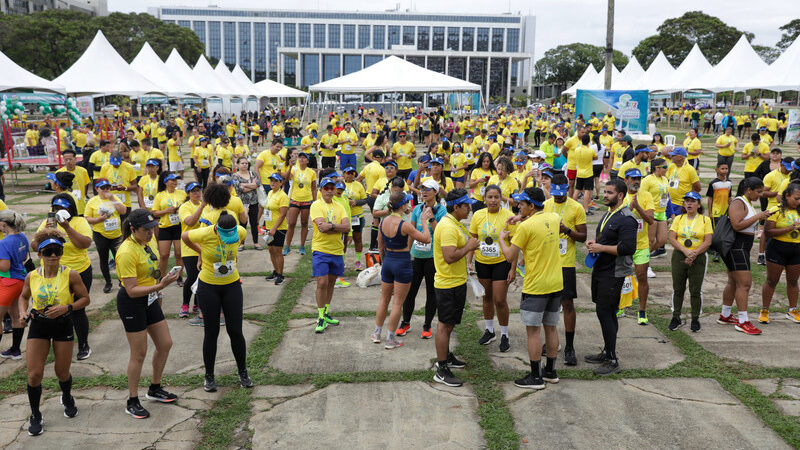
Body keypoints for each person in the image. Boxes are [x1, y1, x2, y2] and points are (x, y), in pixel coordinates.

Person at [19, 229, 90, 436]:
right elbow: (23, 297)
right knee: (34, 374)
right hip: (39, 325)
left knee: (62, 372)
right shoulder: (32, 276)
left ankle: (67, 396)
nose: (53, 256)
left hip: (63, 324)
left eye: (57, 251)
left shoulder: (71, 274)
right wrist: (23, 312)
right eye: (48, 251)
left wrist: (67, 308)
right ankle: (35, 414)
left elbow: (85, 299)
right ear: (39, 254)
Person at [115, 209, 180, 419]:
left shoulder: (147, 242)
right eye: (145, 230)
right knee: (139, 353)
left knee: (165, 343)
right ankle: (132, 400)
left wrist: (160, 285)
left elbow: (153, 270)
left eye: (153, 228)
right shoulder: (126, 252)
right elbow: (132, 290)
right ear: (133, 229)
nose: (151, 233)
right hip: (132, 303)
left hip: (150, 298)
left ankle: (154, 388)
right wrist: (160, 285)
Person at [498, 187, 562, 389]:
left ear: (531, 206)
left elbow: (510, 256)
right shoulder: (553, 217)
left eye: (522, 204)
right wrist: (521, 217)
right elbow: (540, 224)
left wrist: (501, 238)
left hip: (536, 286)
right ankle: (550, 371)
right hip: (556, 283)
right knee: (550, 328)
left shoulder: (526, 229)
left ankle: (535, 377)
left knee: (533, 331)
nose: (518, 206)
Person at [182, 211, 253, 392]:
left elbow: (239, 238)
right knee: (211, 332)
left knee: (236, 330)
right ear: (217, 229)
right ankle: (209, 376)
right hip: (209, 287)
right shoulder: (205, 232)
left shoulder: (240, 231)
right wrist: (201, 252)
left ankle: (243, 372)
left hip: (232, 286)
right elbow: (185, 236)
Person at [584, 179, 637, 375]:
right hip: (602, 268)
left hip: (614, 272)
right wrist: (595, 243)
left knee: (606, 313)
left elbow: (628, 248)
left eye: (609, 193)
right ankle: (607, 351)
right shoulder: (610, 213)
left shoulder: (626, 218)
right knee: (604, 312)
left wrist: (602, 247)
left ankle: (612, 360)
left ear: (620, 195)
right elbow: (607, 239)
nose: (605, 195)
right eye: (605, 192)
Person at [370, 192, 432, 348]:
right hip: (402, 263)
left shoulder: (383, 222)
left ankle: (377, 333)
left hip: (388, 262)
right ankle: (390, 339)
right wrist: (424, 221)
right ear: (403, 205)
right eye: (407, 204)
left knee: (384, 299)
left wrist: (384, 263)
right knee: (397, 303)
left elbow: (380, 245)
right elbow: (426, 238)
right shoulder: (404, 224)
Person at [37, 195, 93, 360]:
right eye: (55, 208)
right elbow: (35, 246)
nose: (58, 211)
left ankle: (83, 344)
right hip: (53, 273)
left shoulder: (79, 222)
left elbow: (84, 243)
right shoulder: (48, 222)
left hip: (79, 271)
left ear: (71, 209)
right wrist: (45, 233)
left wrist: (67, 228)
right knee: (52, 308)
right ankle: (56, 343)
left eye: (63, 208)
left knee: (77, 309)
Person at [432, 189, 478, 387]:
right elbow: (450, 257)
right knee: (444, 325)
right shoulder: (448, 227)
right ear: (456, 207)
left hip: (456, 282)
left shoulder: (455, 223)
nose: (469, 208)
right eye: (466, 205)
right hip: (447, 284)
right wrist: (468, 247)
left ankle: (447, 355)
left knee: (450, 324)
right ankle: (441, 369)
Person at [543, 174, 586, 365]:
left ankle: (570, 347)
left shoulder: (576, 207)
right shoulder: (546, 205)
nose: (558, 197)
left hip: (566, 263)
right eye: (555, 194)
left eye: (562, 194)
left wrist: (566, 230)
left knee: (567, 304)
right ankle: (552, 341)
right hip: (548, 262)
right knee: (547, 304)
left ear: (568, 189)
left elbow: (583, 236)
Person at [396, 179, 447, 339]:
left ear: (436, 192)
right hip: (416, 256)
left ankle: (427, 325)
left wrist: (431, 218)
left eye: (428, 189)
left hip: (432, 258)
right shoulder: (417, 209)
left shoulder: (441, 210)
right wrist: (406, 252)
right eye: (422, 189)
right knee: (410, 292)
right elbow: (411, 231)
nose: (424, 192)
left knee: (432, 293)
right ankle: (405, 322)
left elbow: (440, 233)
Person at [470, 185, 516, 352]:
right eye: (490, 197)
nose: (493, 200)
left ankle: (504, 334)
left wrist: (513, 268)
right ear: (484, 199)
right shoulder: (478, 215)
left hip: (501, 262)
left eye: (496, 197)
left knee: (499, 300)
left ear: (501, 198)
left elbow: (515, 244)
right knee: (486, 297)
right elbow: (474, 238)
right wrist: (470, 261)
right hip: (482, 262)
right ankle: (490, 331)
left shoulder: (509, 216)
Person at [718, 178, 766, 335]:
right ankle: (743, 321)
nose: (760, 195)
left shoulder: (746, 202)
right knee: (745, 284)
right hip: (737, 247)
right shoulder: (739, 202)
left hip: (741, 247)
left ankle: (725, 315)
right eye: (758, 191)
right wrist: (759, 216)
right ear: (749, 190)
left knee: (733, 281)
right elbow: (736, 225)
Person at [668, 191, 713, 332]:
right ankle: (676, 317)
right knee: (678, 288)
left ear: (699, 204)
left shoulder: (705, 220)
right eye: (686, 201)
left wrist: (694, 253)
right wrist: (685, 251)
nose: (689, 203)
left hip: (698, 257)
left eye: (693, 201)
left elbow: (708, 241)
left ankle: (695, 318)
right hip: (679, 256)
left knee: (695, 289)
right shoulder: (679, 219)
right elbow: (672, 238)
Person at [310, 177, 350, 333]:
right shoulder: (316, 205)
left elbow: (347, 227)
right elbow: (321, 228)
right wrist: (337, 227)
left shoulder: (340, 206)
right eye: (326, 188)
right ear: (320, 190)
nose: (329, 190)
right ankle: (320, 316)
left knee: (331, 283)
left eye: (331, 188)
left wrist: (332, 226)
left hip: (337, 250)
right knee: (322, 283)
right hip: (320, 249)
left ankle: (326, 312)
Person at [760, 182, 800, 325]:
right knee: (772, 281)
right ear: (787, 196)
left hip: (796, 249)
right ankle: (765, 310)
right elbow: (768, 231)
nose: (798, 202)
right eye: (796, 198)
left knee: (793, 281)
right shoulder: (775, 210)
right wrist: (789, 228)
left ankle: (792, 310)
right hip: (777, 248)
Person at [622, 169, 655, 322]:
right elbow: (617, 219)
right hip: (623, 243)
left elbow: (650, 220)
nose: (636, 181)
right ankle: (620, 306)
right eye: (633, 178)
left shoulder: (646, 195)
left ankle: (642, 311)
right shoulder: (620, 195)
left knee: (641, 276)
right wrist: (630, 208)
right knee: (621, 276)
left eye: (638, 178)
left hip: (641, 245)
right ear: (626, 180)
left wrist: (638, 207)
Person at [85, 179, 126, 293]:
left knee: (119, 259)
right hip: (100, 234)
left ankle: (121, 281)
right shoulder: (92, 201)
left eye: (107, 188)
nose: (106, 190)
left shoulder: (115, 198)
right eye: (103, 188)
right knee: (103, 259)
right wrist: (99, 219)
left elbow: (123, 211)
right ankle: (108, 282)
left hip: (116, 235)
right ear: (97, 189)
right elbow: (87, 218)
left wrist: (112, 199)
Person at [0, 210, 28, 360]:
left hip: (8, 283)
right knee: (17, 317)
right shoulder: (23, 237)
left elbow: (4, 267)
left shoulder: (3, 243)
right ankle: (15, 350)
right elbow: (25, 257)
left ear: (3, 224)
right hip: (20, 280)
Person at [152, 173, 186, 285]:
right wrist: (166, 211)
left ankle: (179, 277)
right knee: (164, 255)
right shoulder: (160, 195)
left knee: (179, 253)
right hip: (165, 227)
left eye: (176, 180)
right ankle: (161, 277)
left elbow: (187, 206)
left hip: (178, 227)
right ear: (166, 182)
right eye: (172, 180)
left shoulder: (182, 193)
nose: (175, 182)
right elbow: (154, 212)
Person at [282, 152, 317, 256]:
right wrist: (289, 167)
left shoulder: (311, 172)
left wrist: (315, 201)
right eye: (300, 157)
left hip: (307, 200)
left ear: (307, 161)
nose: (301, 159)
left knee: (304, 223)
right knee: (291, 223)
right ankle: (287, 246)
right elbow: (287, 179)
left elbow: (314, 188)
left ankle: (302, 246)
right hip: (294, 199)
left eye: (304, 158)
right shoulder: (294, 169)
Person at [177, 182, 204, 318]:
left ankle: (197, 304)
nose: (196, 193)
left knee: (202, 277)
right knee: (193, 276)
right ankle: (185, 304)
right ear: (188, 194)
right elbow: (190, 222)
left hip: (203, 246)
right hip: (189, 246)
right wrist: (202, 207)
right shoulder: (184, 207)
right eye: (193, 191)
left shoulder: (204, 206)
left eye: (198, 190)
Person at [262, 173, 289, 285]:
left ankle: (280, 274)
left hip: (279, 229)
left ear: (281, 182)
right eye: (271, 180)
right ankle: (275, 270)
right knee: (271, 250)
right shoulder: (270, 193)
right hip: (269, 227)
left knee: (278, 252)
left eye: (275, 181)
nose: (272, 183)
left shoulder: (283, 196)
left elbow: (282, 215)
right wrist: (265, 226)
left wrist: (274, 228)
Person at [232, 156, 262, 250]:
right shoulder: (235, 176)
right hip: (242, 203)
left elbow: (257, 184)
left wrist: (244, 184)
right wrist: (251, 185)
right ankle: (241, 243)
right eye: (242, 163)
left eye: (246, 163)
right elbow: (239, 189)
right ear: (238, 164)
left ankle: (256, 242)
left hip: (254, 202)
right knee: (242, 224)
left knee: (254, 222)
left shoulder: (253, 173)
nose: (245, 165)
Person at [642, 158, 670, 258]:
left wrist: (670, 212)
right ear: (657, 168)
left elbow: (666, 197)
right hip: (651, 213)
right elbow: (641, 196)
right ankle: (644, 261)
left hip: (662, 212)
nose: (667, 169)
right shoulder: (647, 180)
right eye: (665, 167)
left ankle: (643, 256)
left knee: (662, 240)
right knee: (650, 240)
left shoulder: (665, 179)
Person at [665, 147, 701, 218]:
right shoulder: (671, 166)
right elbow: (667, 180)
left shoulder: (690, 170)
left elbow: (698, 187)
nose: (671, 157)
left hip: (681, 204)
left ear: (680, 158)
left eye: (673, 155)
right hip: (669, 202)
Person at [56, 149, 90, 215]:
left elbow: (85, 186)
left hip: (80, 205)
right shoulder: (59, 173)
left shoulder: (83, 171)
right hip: (66, 205)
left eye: (70, 159)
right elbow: (58, 189)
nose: (68, 162)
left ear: (75, 159)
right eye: (66, 160)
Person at [572, 134, 597, 214]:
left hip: (579, 172)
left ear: (581, 141)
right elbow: (595, 157)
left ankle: (572, 207)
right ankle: (586, 209)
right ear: (588, 141)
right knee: (587, 191)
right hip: (588, 173)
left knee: (577, 190)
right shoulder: (590, 150)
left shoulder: (577, 149)